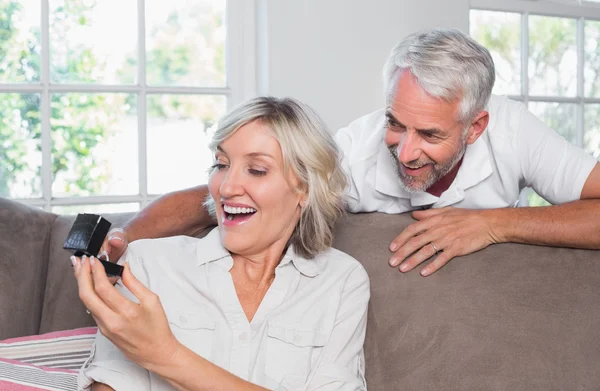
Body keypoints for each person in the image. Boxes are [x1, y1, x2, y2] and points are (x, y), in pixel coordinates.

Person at [100, 28, 600, 277]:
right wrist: (121, 240)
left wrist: (496, 224)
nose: (405, 152)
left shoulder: (513, 130)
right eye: (394, 123)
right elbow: (228, 194)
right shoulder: (356, 155)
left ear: (475, 127)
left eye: (428, 135)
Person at [73, 97, 370, 391]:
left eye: (256, 170)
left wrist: (165, 354)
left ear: (305, 188)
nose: (226, 187)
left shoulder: (341, 281)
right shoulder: (145, 265)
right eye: (221, 164)